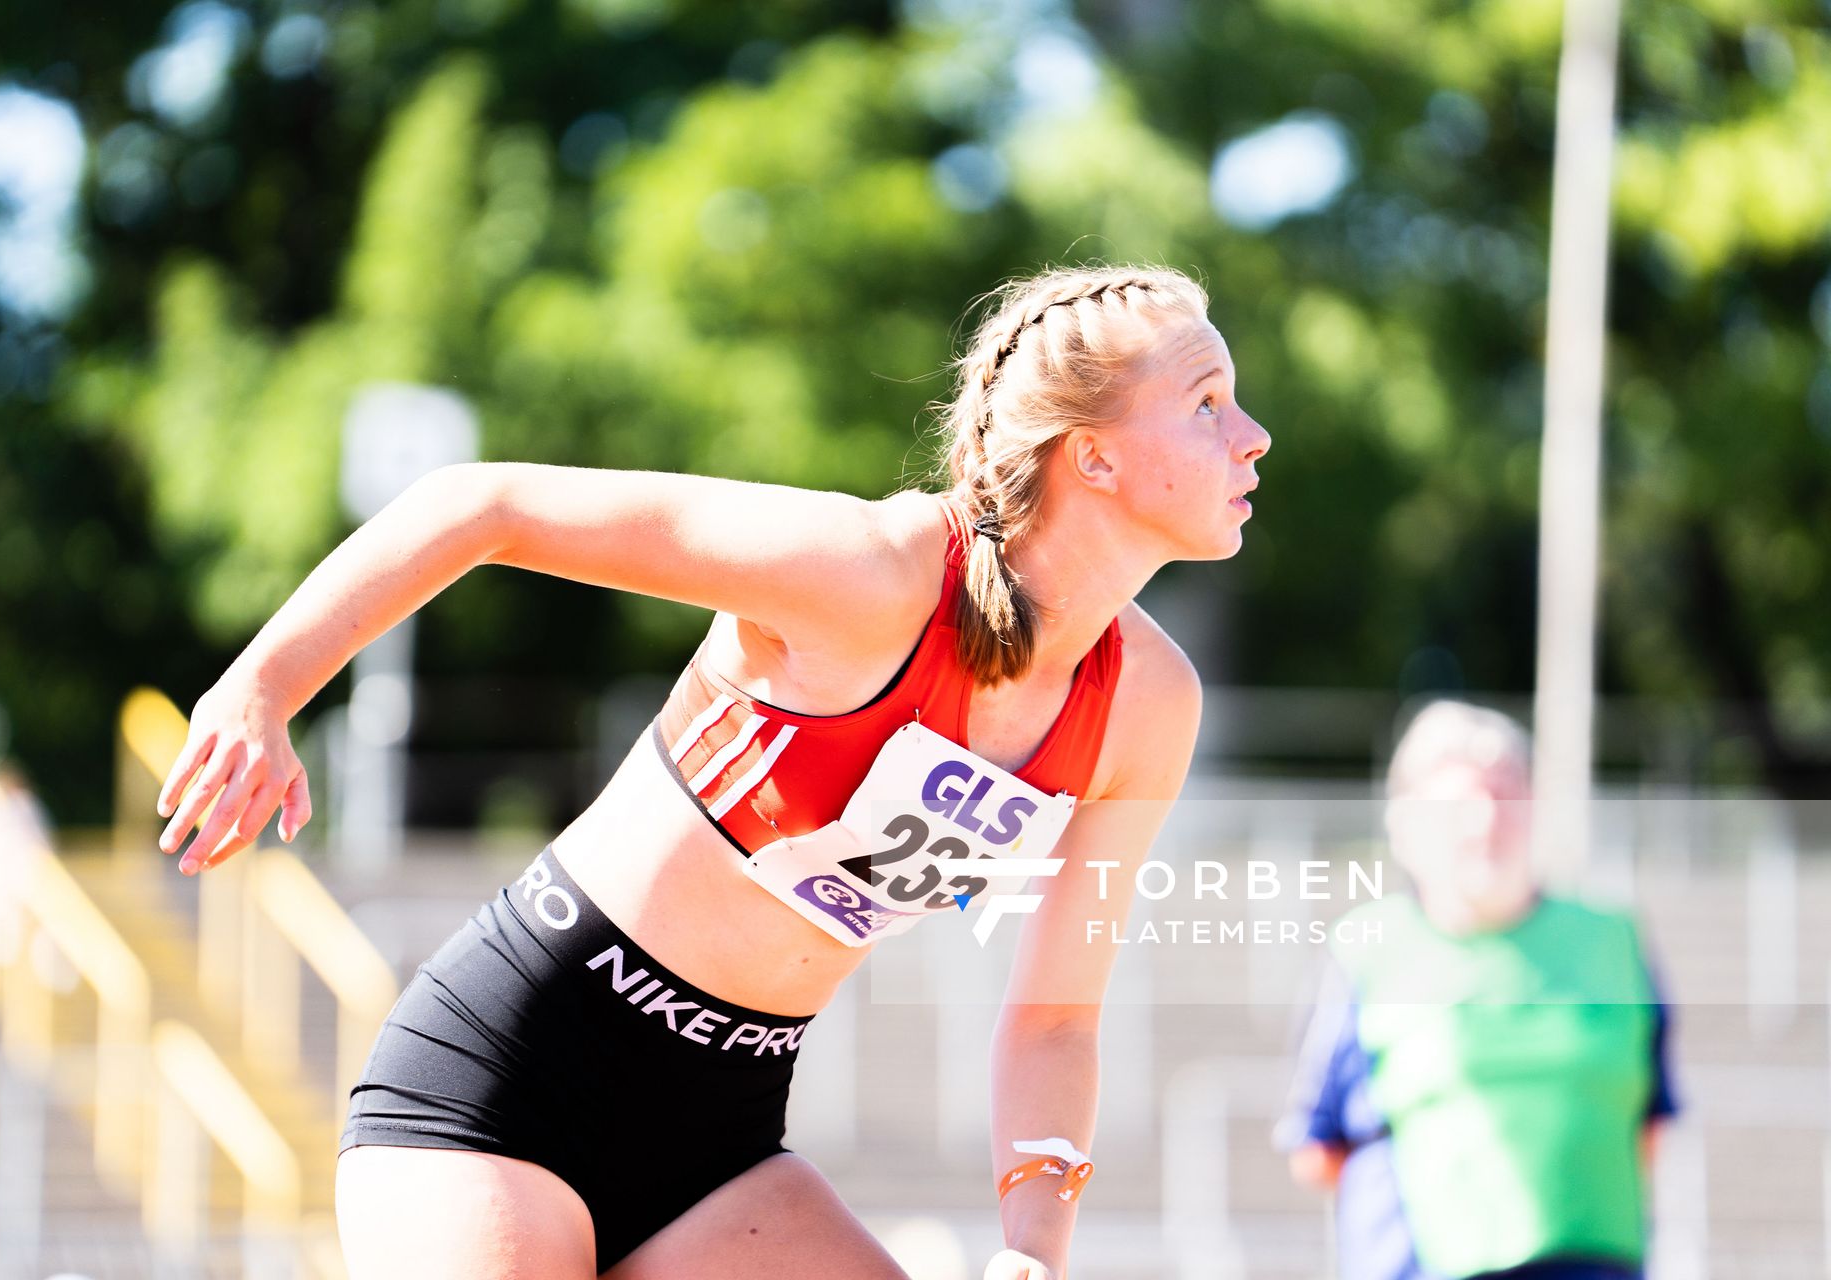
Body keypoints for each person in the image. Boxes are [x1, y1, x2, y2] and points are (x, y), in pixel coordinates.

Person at [154, 263, 1270, 1279]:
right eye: (1208, 401)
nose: (1254, 434)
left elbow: (1057, 1017)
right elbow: (480, 505)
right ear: (1096, 453)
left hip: (718, 1141)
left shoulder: (1148, 704)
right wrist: (260, 688)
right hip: (507, 1079)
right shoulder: (869, 575)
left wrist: (1035, 1245)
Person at [1276, 699, 1679, 1280]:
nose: (1487, 820)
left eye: (1506, 796)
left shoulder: (1613, 941)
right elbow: (1319, 1148)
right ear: (1408, 823)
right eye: (1460, 803)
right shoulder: (1368, 949)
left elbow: (1650, 1122)